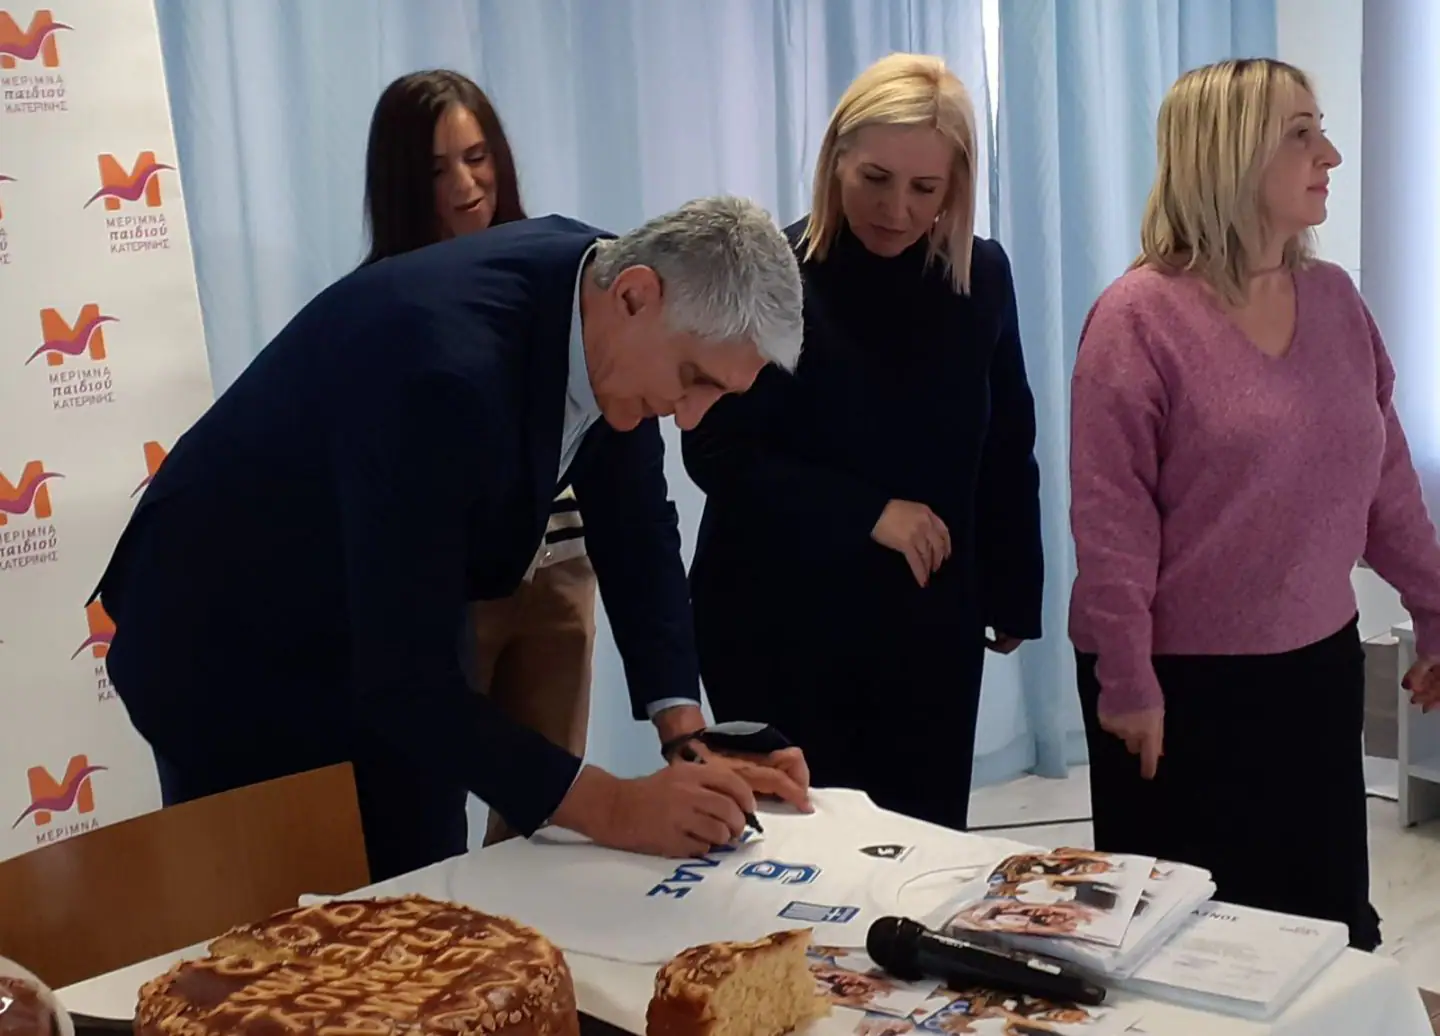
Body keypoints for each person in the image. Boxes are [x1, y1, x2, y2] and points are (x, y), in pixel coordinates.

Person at [92, 194, 811, 882]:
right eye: (692, 380)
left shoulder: (608, 303)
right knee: (287, 933)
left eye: (718, 394)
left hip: (370, 619)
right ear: (634, 295)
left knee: (426, 879)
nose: (690, 418)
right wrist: (617, 807)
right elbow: (406, 680)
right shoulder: (445, 370)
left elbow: (637, 526)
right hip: (228, 638)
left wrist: (688, 740)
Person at [1069, 58, 1440, 951]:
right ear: (1230, 154)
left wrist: (1435, 609)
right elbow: (1111, 525)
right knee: (1189, 944)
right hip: (1177, 686)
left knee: (1326, 929)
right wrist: (1127, 679)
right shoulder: (1137, 317)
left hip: (1314, 666)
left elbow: (1385, 480)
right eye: (1301, 134)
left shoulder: (1336, 299)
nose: (1331, 155)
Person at [682, 53, 1043, 833]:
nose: (896, 209)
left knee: (920, 846)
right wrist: (869, 513)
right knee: (800, 853)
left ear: (955, 187)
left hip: (926, 619)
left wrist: (1014, 587)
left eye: (925, 188)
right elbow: (714, 450)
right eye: (875, 178)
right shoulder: (769, 276)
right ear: (835, 157)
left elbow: (1008, 439)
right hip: (775, 617)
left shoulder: (981, 276)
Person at [361, 69, 598, 846]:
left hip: (561, 568)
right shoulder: (384, 307)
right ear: (402, 183)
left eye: (477, 157)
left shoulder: (559, 279)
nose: (466, 186)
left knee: (548, 816)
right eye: (437, 169)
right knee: (426, 805)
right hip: (451, 591)